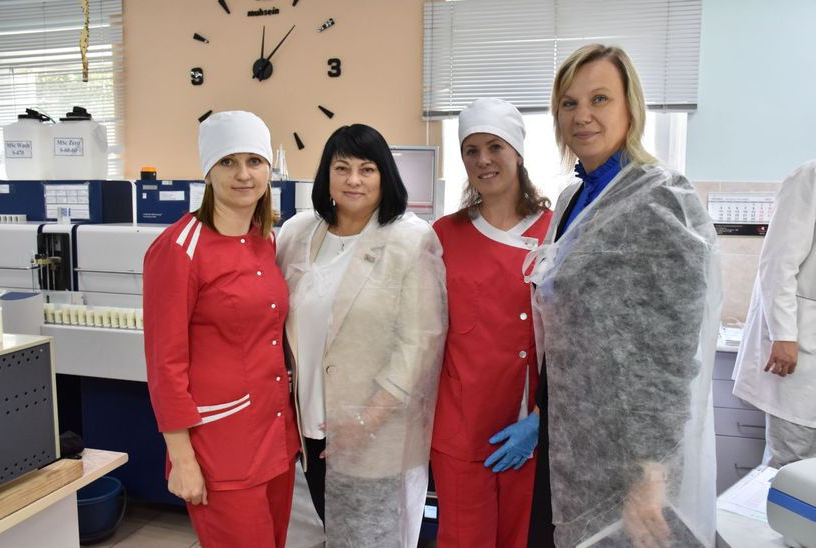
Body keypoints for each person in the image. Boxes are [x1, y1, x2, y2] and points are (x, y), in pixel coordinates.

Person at [525, 44, 721, 547]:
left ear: (630, 107)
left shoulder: (659, 197)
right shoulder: (573, 199)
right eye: (569, 103)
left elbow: (670, 350)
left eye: (599, 99)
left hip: (632, 452)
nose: (582, 116)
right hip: (572, 438)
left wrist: (652, 470)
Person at [276, 123, 447, 548]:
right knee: (327, 530)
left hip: (375, 431)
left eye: (367, 169)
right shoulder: (297, 233)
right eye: (342, 168)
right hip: (308, 425)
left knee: (373, 538)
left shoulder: (410, 240)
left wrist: (366, 419)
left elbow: (420, 342)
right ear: (326, 175)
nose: (354, 180)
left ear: (384, 176)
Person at [143, 111, 300, 548]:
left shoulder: (266, 241)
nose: (243, 174)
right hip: (219, 447)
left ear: (269, 170)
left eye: (255, 161)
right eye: (228, 162)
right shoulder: (179, 249)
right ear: (208, 172)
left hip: (274, 438)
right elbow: (164, 365)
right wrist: (182, 459)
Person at [430, 97, 553, 548]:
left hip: (530, 422)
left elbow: (578, 339)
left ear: (517, 152)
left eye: (495, 147)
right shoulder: (444, 235)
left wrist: (542, 419)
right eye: (471, 150)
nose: (483, 160)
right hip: (460, 427)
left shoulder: (556, 231)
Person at [732, 160, 816, 468]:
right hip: (801, 352)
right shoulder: (809, 177)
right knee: (789, 464)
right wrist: (784, 335)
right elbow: (778, 263)